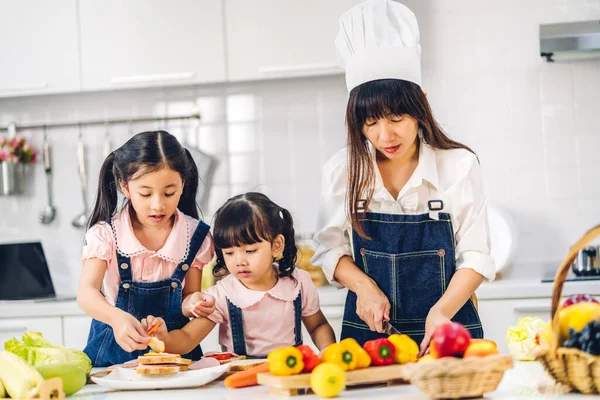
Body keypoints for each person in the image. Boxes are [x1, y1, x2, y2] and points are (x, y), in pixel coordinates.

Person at [311, 0, 495, 354]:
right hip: (368, 339)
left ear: (420, 104)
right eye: (371, 122)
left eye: (396, 118)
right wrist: (364, 286)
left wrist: (441, 310)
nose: (385, 136)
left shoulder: (459, 166)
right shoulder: (342, 170)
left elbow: (477, 255)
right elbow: (330, 249)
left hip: (447, 331)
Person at [78, 130, 215, 367]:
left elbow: (187, 298)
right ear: (125, 187)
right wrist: (117, 319)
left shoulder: (195, 236)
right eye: (145, 193)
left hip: (174, 357)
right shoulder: (106, 235)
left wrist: (196, 303)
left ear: (183, 184)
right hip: (112, 360)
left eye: (169, 192)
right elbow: (86, 294)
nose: (158, 204)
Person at [142, 192, 336, 358]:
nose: (239, 261)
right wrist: (164, 338)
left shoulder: (298, 283)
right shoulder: (221, 295)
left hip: (289, 374)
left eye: (250, 251)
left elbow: (318, 325)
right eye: (229, 253)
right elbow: (187, 339)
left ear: (276, 246)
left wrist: (327, 350)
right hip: (241, 382)